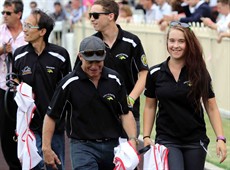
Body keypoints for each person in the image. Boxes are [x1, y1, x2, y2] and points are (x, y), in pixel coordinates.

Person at [42, 36, 138, 170]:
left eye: (98, 62)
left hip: (113, 146)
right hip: (82, 147)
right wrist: (46, 148)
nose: (94, 66)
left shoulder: (115, 79)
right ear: (80, 57)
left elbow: (125, 113)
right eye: (90, 62)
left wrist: (132, 140)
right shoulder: (68, 84)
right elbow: (51, 116)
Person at [142, 21, 227, 170]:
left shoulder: (199, 73)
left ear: (189, 44)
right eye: (172, 40)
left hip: (195, 140)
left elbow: (211, 106)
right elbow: (150, 106)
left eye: (181, 41)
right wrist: (147, 136)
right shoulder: (155, 73)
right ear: (167, 42)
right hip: (167, 138)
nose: (176, 45)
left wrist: (220, 138)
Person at [13, 8, 72, 170]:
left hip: (55, 124)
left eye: (28, 26)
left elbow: (68, 88)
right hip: (30, 125)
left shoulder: (60, 55)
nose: (24, 29)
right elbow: (14, 80)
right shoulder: (18, 55)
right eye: (24, 25)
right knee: (33, 167)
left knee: (55, 166)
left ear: (42, 31)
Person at [87, 0, 149, 137]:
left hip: (128, 113)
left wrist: (131, 99)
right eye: (90, 15)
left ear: (110, 16)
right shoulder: (91, 44)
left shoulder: (132, 42)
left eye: (96, 15)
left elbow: (144, 73)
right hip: (99, 114)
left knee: (128, 156)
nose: (92, 19)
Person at [0, 0, 27, 169]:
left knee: (27, 128)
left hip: (25, 89)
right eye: (3, 13)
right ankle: (13, 166)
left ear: (19, 14)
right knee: (6, 130)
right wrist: (3, 50)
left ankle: (29, 162)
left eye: (8, 13)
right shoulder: (0, 31)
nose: (4, 16)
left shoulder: (30, 30)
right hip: (3, 88)